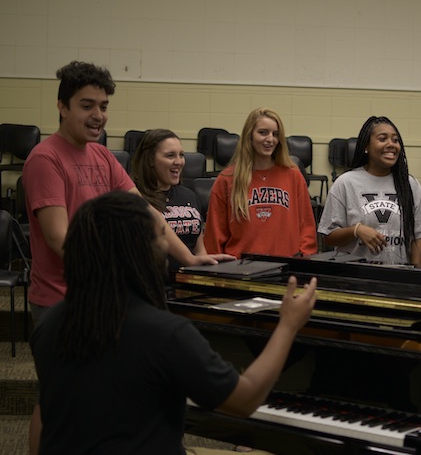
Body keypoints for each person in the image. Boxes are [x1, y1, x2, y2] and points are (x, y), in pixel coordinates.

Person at [23, 61, 233, 451]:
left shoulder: (103, 159)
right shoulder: (45, 159)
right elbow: (58, 238)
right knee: (52, 398)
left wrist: (187, 258)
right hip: (59, 296)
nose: (98, 115)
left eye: (103, 106)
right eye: (87, 105)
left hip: (102, 294)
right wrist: (118, 273)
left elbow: (148, 213)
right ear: (62, 106)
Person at [30, 192, 317, 455]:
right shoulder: (165, 333)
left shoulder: (51, 321)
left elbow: (44, 414)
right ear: (137, 251)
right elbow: (245, 400)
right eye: (158, 237)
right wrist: (288, 325)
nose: (166, 245)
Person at [318, 116, 421, 267]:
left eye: (396, 140)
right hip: (356, 277)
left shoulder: (410, 184)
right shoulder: (346, 183)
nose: (391, 144)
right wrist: (356, 230)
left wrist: (416, 276)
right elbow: (329, 237)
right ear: (366, 146)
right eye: (383, 139)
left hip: (399, 277)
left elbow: (419, 236)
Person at [204, 108, 317, 258]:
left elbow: (306, 227)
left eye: (275, 134)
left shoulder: (293, 175)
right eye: (263, 132)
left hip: (286, 268)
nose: (270, 139)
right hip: (240, 271)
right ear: (249, 135)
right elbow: (215, 234)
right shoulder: (227, 179)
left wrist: (304, 260)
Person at [131, 129, 206, 275]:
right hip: (152, 285)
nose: (179, 162)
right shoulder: (136, 197)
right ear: (150, 160)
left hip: (188, 284)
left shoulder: (189, 196)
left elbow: (199, 249)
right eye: (170, 155)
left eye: (181, 155)